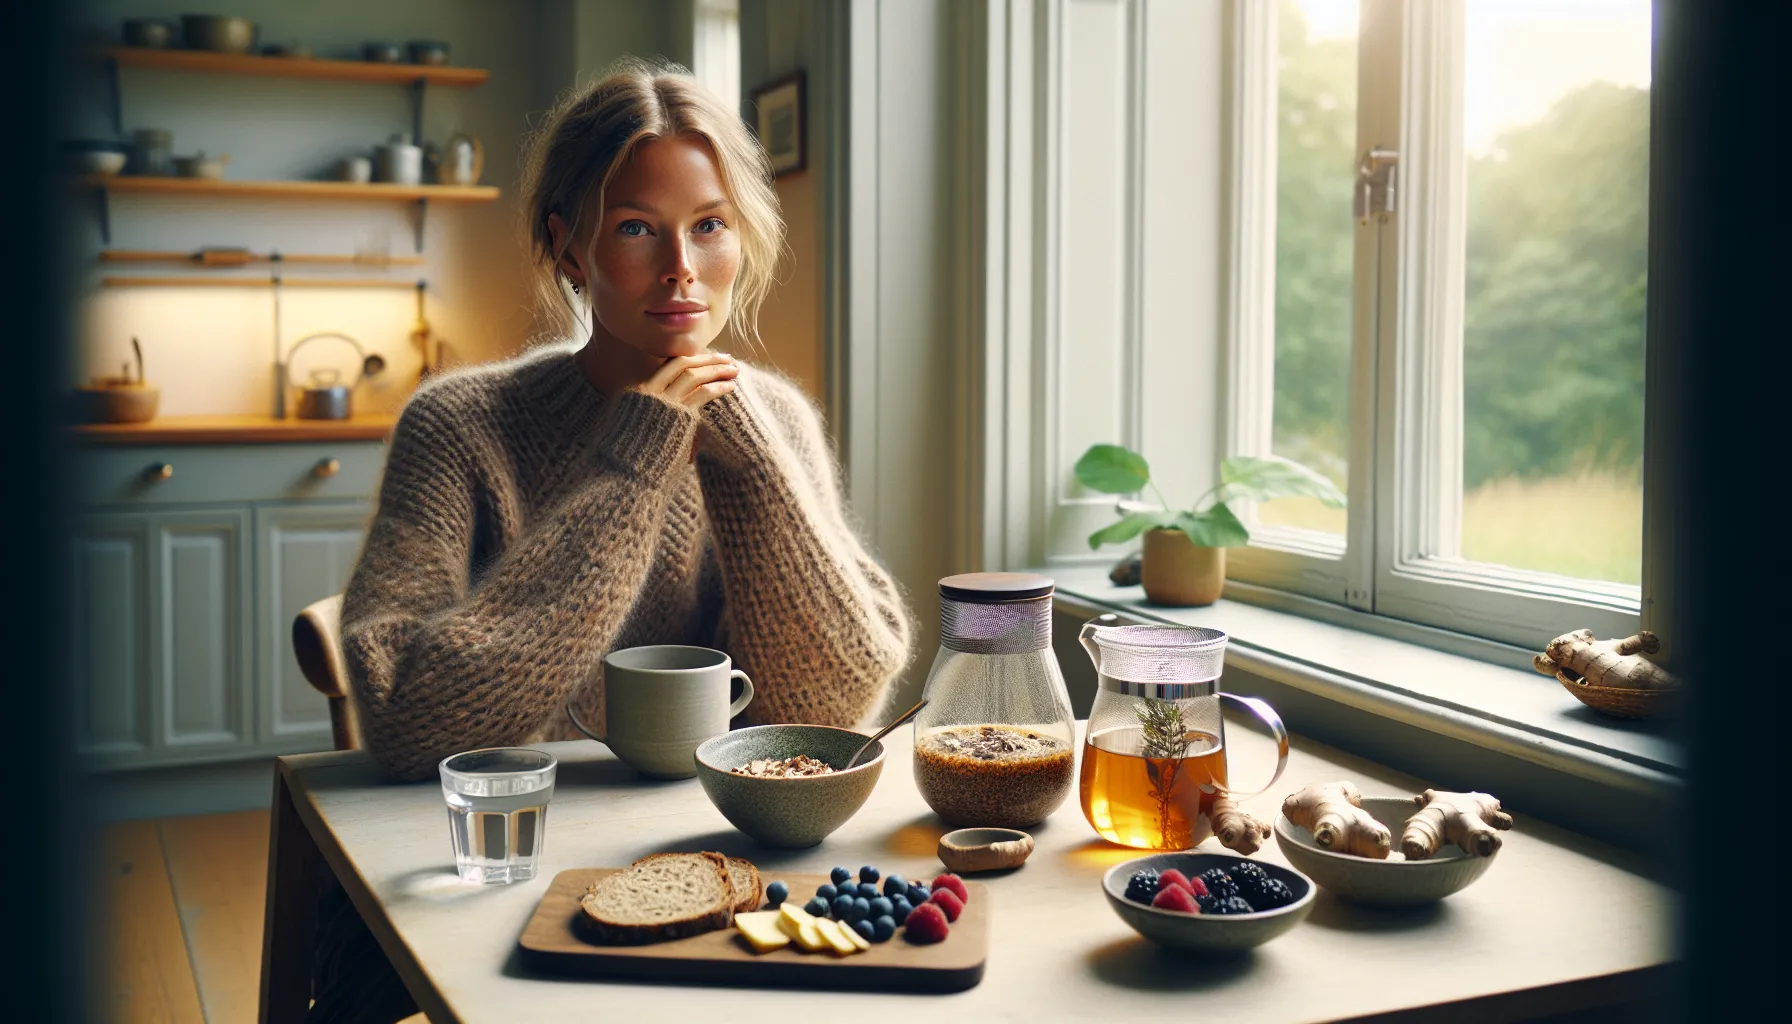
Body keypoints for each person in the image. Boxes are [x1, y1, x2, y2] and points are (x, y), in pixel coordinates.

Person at [310, 59, 914, 1022]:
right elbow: (408, 725)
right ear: (567, 246)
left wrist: (747, 453)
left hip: (721, 869)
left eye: (709, 225)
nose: (684, 268)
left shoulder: (775, 421)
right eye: (638, 227)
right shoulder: (460, 426)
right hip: (485, 887)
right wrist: (634, 465)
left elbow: (831, 701)